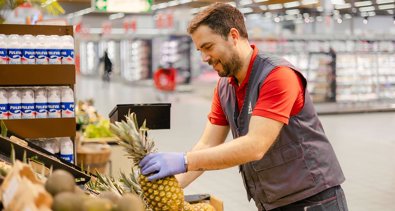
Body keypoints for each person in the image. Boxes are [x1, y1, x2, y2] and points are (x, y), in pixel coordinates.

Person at [139, 3, 348, 211]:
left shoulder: (278, 76)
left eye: (208, 47)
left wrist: (184, 160)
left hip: (314, 200)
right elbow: (208, 144)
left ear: (233, 36)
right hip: (272, 201)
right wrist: (164, 188)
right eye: (200, 50)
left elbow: (255, 145)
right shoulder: (224, 86)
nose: (204, 58)